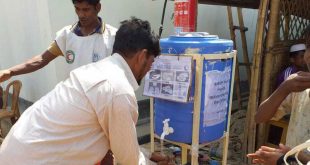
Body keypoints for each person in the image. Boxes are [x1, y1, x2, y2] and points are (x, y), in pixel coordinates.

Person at [0, 17, 172, 165]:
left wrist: (147, 154)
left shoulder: (97, 70)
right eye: (152, 62)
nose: (150, 69)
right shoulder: (118, 89)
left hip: (15, 150)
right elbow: (129, 160)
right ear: (142, 56)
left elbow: (120, 144)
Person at [0, 0, 116, 83]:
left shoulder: (113, 37)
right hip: (75, 102)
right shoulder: (66, 35)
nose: (81, 14)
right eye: (77, 8)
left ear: (98, 7)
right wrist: (10, 72)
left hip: (103, 103)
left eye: (86, 9)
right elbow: (40, 60)